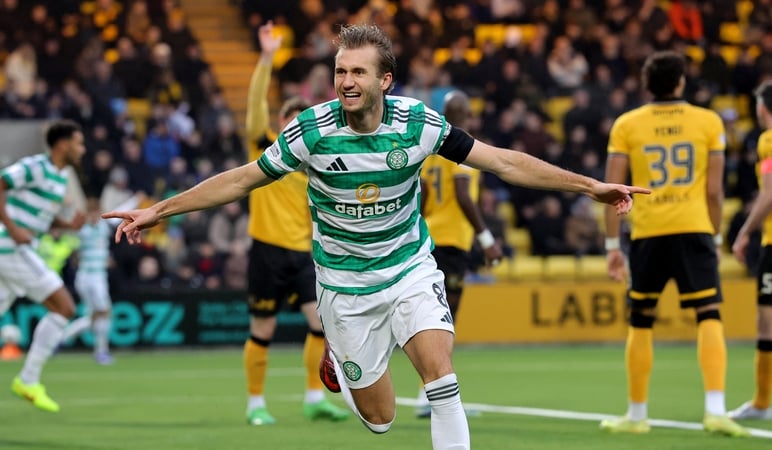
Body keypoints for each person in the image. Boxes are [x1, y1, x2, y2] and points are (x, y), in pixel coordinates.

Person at [104, 24, 647, 450]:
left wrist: (589, 186)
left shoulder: (418, 124)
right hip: (343, 286)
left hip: (409, 266)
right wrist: (162, 209)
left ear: (384, 80)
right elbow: (245, 177)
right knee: (382, 419)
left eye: (358, 72)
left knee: (441, 375)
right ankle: (341, 360)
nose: (346, 82)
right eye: (341, 71)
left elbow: (502, 161)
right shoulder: (310, 132)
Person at [601, 50, 748, 437]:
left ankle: (636, 416)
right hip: (694, 228)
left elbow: (612, 190)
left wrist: (611, 246)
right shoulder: (708, 121)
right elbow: (715, 191)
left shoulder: (627, 124)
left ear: (647, 84)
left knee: (641, 320)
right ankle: (716, 410)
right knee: (708, 314)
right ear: (681, 82)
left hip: (648, 232)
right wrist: (714, 236)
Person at [240, 21, 348, 426]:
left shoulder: (313, 165)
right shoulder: (262, 147)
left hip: (305, 254)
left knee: (321, 326)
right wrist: (267, 58)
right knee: (262, 329)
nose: (296, 127)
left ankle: (313, 397)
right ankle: (255, 404)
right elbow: (254, 111)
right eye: (291, 120)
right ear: (281, 122)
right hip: (266, 250)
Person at [415, 89, 503, 418]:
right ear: (465, 114)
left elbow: (421, 196)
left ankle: (430, 392)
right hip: (452, 241)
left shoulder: (432, 151)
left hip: (432, 238)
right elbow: (464, 195)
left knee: (435, 317)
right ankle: (435, 395)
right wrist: (487, 237)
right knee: (445, 319)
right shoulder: (462, 147)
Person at [0, 119, 86, 412]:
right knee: (64, 307)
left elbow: (38, 220)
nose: (83, 149)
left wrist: (65, 225)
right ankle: (28, 379)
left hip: (18, 247)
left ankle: (28, 379)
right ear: (62, 144)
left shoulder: (59, 177)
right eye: (78, 142)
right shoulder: (36, 166)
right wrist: (11, 228)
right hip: (10, 247)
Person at [728, 79, 772, 420]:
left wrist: (744, 232)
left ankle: (760, 403)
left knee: (768, 321)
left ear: (761, 107)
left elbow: (771, 194)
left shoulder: (770, 141)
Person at [60, 194, 143, 365]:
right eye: (90, 212)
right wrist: (67, 207)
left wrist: (136, 199)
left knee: (97, 316)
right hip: (89, 278)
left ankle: (91, 348)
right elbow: (67, 224)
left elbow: (122, 212)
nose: (93, 216)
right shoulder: (82, 230)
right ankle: (88, 346)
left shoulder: (104, 226)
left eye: (95, 212)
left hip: (97, 277)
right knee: (104, 313)